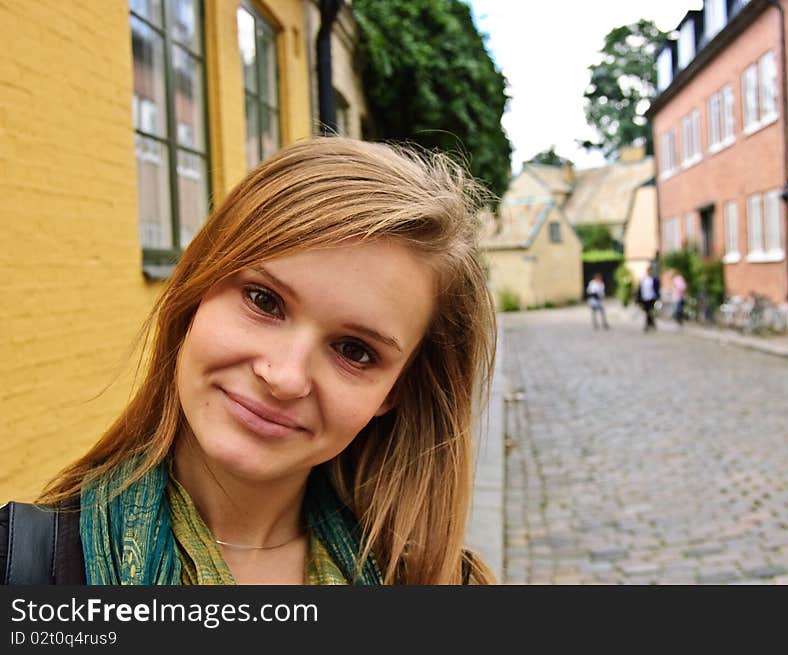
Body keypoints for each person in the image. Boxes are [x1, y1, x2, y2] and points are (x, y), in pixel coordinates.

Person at [1, 137, 495, 586]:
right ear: (196, 291)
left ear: (396, 391)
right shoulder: (22, 568)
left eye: (354, 351)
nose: (285, 377)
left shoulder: (447, 584)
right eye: (263, 300)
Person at [638, 265, 660, 331]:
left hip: (652, 298)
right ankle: (651, 324)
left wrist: (658, 297)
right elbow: (640, 290)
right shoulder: (643, 280)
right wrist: (639, 299)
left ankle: (647, 325)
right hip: (645, 298)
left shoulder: (654, 280)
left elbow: (657, 289)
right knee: (647, 312)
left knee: (650, 312)